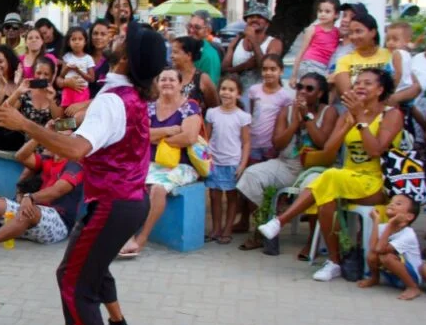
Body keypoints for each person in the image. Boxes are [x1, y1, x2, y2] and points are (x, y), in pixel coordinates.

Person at [0, 21, 168, 325]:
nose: (114, 36)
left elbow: (77, 150)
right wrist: (62, 125)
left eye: (122, 38)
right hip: (130, 202)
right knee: (95, 268)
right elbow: (99, 136)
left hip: (112, 205)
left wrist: (25, 124)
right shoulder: (128, 95)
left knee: (71, 277)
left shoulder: (114, 101)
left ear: (126, 57)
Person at [259, 69, 403, 282]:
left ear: (380, 90)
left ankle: (281, 221)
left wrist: (361, 120)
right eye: (357, 83)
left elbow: (375, 150)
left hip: (375, 182)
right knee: (326, 199)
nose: (360, 86)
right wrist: (347, 124)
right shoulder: (348, 114)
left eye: (367, 83)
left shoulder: (392, 115)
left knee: (331, 178)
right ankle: (334, 262)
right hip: (347, 179)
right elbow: (328, 149)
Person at [235, 73, 336, 254]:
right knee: (251, 175)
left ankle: (312, 241)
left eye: (309, 88)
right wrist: (294, 124)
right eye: (300, 87)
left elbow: (323, 142)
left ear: (320, 93)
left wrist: (307, 118)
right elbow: (278, 143)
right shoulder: (287, 110)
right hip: (286, 164)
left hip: (314, 168)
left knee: (313, 185)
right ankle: (264, 227)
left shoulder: (329, 112)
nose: (303, 92)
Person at [118, 68, 203, 257]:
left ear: (181, 84)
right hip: (151, 163)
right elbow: (140, 136)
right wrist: (170, 130)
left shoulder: (190, 107)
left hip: (182, 165)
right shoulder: (149, 107)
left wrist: (157, 137)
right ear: (157, 83)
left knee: (157, 188)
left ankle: (142, 238)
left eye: (172, 79)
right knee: (128, 183)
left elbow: (189, 137)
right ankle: (127, 235)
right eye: (163, 79)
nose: (167, 83)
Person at [205, 75, 252, 245]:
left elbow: (246, 142)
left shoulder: (242, 116)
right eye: (223, 89)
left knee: (232, 198)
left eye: (231, 90)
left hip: (232, 163)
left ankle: (227, 229)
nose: (226, 93)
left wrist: (242, 164)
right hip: (214, 162)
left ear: (238, 94)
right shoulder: (212, 113)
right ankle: (216, 228)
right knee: (215, 196)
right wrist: (205, 159)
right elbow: (206, 137)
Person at [358, 195, 422, 300]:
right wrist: (376, 221)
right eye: (391, 202)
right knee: (372, 255)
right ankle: (374, 278)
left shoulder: (408, 234)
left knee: (387, 257)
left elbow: (380, 250)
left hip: (412, 277)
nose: (391, 204)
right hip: (393, 277)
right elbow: (373, 248)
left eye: (398, 204)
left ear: (409, 217)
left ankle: (413, 288)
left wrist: (391, 225)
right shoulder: (385, 227)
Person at [332, 13, 406, 101]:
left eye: (358, 31)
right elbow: (347, 93)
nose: (354, 36)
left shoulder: (392, 55)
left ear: (373, 32)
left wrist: (392, 99)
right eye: (351, 33)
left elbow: (412, 84)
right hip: (358, 109)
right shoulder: (345, 60)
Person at [223, 3, 284, 94]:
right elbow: (224, 70)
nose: (254, 19)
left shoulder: (274, 43)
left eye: (259, 17)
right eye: (251, 17)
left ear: (267, 23)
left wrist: (253, 40)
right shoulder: (237, 41)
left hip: (263, 97)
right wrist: (245, 65)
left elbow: (265, 68)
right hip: (237, 96)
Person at [288, 0, 340, 84]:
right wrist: (293, 75)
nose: (322, 14)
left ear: (336, 14)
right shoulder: (312, 29)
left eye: (327, 11)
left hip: (325, 67)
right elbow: (301, 51)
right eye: (320, 11)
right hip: (309, 64)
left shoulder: (337, 32)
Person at [4, 57, 62, 128]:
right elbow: (3, 111)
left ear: (52, 76)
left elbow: (61, 123)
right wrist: (18, 92)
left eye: (46, 74)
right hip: (28, 137)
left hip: (49, 137)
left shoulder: (57, 94)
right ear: (34, 73)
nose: (41, 77)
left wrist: (52, 101)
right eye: (38, 73)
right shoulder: (26, 92)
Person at [171, 35, 219, 114]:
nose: (171, 56)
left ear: (188, 55)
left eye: (175, 52)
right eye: (172, 52)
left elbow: (214, 108)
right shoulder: (169, 76)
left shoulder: (202, 79)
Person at [57, 27, 95, 109]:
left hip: (82, 90)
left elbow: (91, 78)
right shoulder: (67, 57)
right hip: (68, 90)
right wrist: (67, 68)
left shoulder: (88, 58)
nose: (77, 42)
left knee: (79, 115)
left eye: (80, 39)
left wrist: (78, 70)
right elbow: (61, 75)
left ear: (85, 42)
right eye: (73, 39)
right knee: (67, 114)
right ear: (68, 42)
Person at [187, 11, 221, 85]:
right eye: (189, 26)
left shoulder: (209, 55)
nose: (191, 30)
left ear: (207, 31)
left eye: (197, 27)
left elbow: (210, 88)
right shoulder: (189, 48)